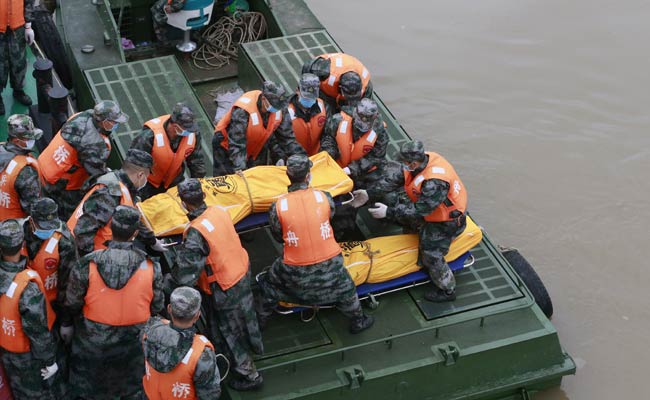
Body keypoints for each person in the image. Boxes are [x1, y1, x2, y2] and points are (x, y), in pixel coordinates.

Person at [257, 154, 375, 334]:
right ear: (308, 176)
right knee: (347, 288)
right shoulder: (324, 197)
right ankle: (358, 320)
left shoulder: (277, 206)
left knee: (269, 285)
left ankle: (260, 322)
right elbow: (330, 218)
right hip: (330, 265)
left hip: (294, 269)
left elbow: (278, 236)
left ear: (288, 176)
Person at [63, 205, 164, 399]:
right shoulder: (152, 267)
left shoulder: (88, 263)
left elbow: (72, 301)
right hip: (133, 345)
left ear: (111, 227)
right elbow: (157, 306)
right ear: (135, 233)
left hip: (91, 343)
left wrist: (67, 324)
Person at [172, 178, 263, 391]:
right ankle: (251, 347)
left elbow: (185, 275)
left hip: (223, 287)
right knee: (245, 318)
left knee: (228, 329)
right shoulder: (219, 211)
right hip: (240, 273)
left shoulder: (195, 232)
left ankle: (250, 375)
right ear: (203, 196)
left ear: (184, 203)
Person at [353, 140, 468, 302]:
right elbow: (395, 180)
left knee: (430, 255)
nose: (402, 166)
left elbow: (419, 211)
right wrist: (368, 194)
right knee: (402, 211)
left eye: (404, 163)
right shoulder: (422, 162)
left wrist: (388, 213)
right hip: (429, 213)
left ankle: (447, 290)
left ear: (413, 163)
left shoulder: (434, 183)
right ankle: (415, 232)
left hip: (445, 222)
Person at [67, 148, 170, 256]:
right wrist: (90, 260)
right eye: (147, 177)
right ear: (140, 175)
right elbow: (84, 231)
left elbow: (130, 217)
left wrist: (152, 240)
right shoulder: (111, 192)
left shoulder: (121, 185)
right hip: (78, 250)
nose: (146, 181)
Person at [38, 100, 129, 219]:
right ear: (104, 122)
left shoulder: (81, 116)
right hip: (59, 181)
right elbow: (96, 173)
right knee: (69, 209)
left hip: (46, 163)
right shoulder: (94, 143)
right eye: (114, 122)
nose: (117, 124)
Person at [0, 219, 59, 399]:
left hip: (4, 347)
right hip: (26, 357)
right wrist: (49, 361)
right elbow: (38, 331)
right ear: (22, 244)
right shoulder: (26, 287)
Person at [142, 286, 222, 400]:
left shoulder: (149, 331)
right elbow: (209, 395)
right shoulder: (201, 353)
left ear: (169, 309)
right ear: (197, 316)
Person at [212, 80, 305, 176]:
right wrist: (240, 168)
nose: (277, 108)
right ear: (264, 98)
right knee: (230, 179)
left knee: (257, 175)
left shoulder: (280, 107)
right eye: (274, 105)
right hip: (226, 146)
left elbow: (287, 138)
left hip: (256, 143)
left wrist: (302, 158)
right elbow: (237, 143)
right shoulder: (243, 111)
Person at [130, 102, 206, 200]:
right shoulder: (149, 136)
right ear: (175, 126)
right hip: (148, 183)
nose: (189, 132)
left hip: (174, 180)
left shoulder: (192, 133)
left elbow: (197, 161)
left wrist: (197, 185)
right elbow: (133, 165)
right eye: (186, 129)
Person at [24, 197, 78, 317]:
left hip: (51, 305)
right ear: (31, 220)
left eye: (50, 225)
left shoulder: (65, 241)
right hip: (23, 302)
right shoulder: (19, 234)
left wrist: (66, 320)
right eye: (43, 226)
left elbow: (68, 282)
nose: (47, 229)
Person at [320, 98, 388, 184]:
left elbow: (375, 157)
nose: (362, 126)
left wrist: (351, 169)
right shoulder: (338, 120)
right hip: (337, 164)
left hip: (363, 170)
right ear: (355, 114)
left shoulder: (380, 133)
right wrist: (329, 154)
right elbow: (328, 137)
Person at [0, 114, 42, 220]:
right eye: (28, 138)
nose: (32, 140)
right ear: (16, 141)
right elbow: (33, 207)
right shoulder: (25, 172)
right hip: (13, 225)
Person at [301, 53, 372, 112]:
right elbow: (307, 66)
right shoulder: (323, 71)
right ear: (341, 88)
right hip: (325, 91)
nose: (350, 100)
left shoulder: (366, 84)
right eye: (349, 97)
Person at [0, 0, 34, 115]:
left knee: (19, 61)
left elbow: (29, 2)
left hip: (17, 27)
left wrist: (28, 26)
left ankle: (18, 90)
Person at [282, 73, 329, 156]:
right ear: (297, 90)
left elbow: (328, 134)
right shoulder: (285, 111)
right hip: (293, 159)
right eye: (306, 97)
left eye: (312, 97)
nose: (309, 100)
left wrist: (323, 153)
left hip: (316, 157)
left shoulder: (324, 107)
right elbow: (280, 139)